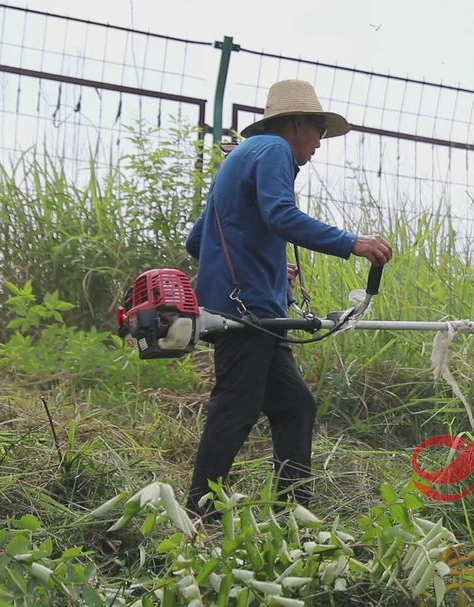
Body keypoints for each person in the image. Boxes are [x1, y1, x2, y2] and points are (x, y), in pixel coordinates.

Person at [183, 79, 393, 516]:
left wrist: (270, 265)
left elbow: (197, 240)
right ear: (297, 124)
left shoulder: (239, 159)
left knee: (295, 404)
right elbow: (280, 215)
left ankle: (292, 515)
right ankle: (198, 515)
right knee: (236, 408)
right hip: (248, 309)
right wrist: (351, 242)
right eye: (319, 131)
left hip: (246, 305)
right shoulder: (273, 150)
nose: (320, 144)